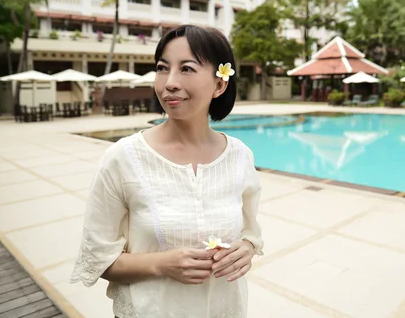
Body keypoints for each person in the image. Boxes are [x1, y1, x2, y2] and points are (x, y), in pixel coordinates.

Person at [70, 25, 264, 318]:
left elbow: (250, 232)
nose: (169, 83)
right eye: (162, 68)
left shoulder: (240, 156)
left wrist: (247, 248)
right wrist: (162, 264)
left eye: (186, 68)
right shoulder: (123, 158)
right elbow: (97, 259)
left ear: (219, 84)